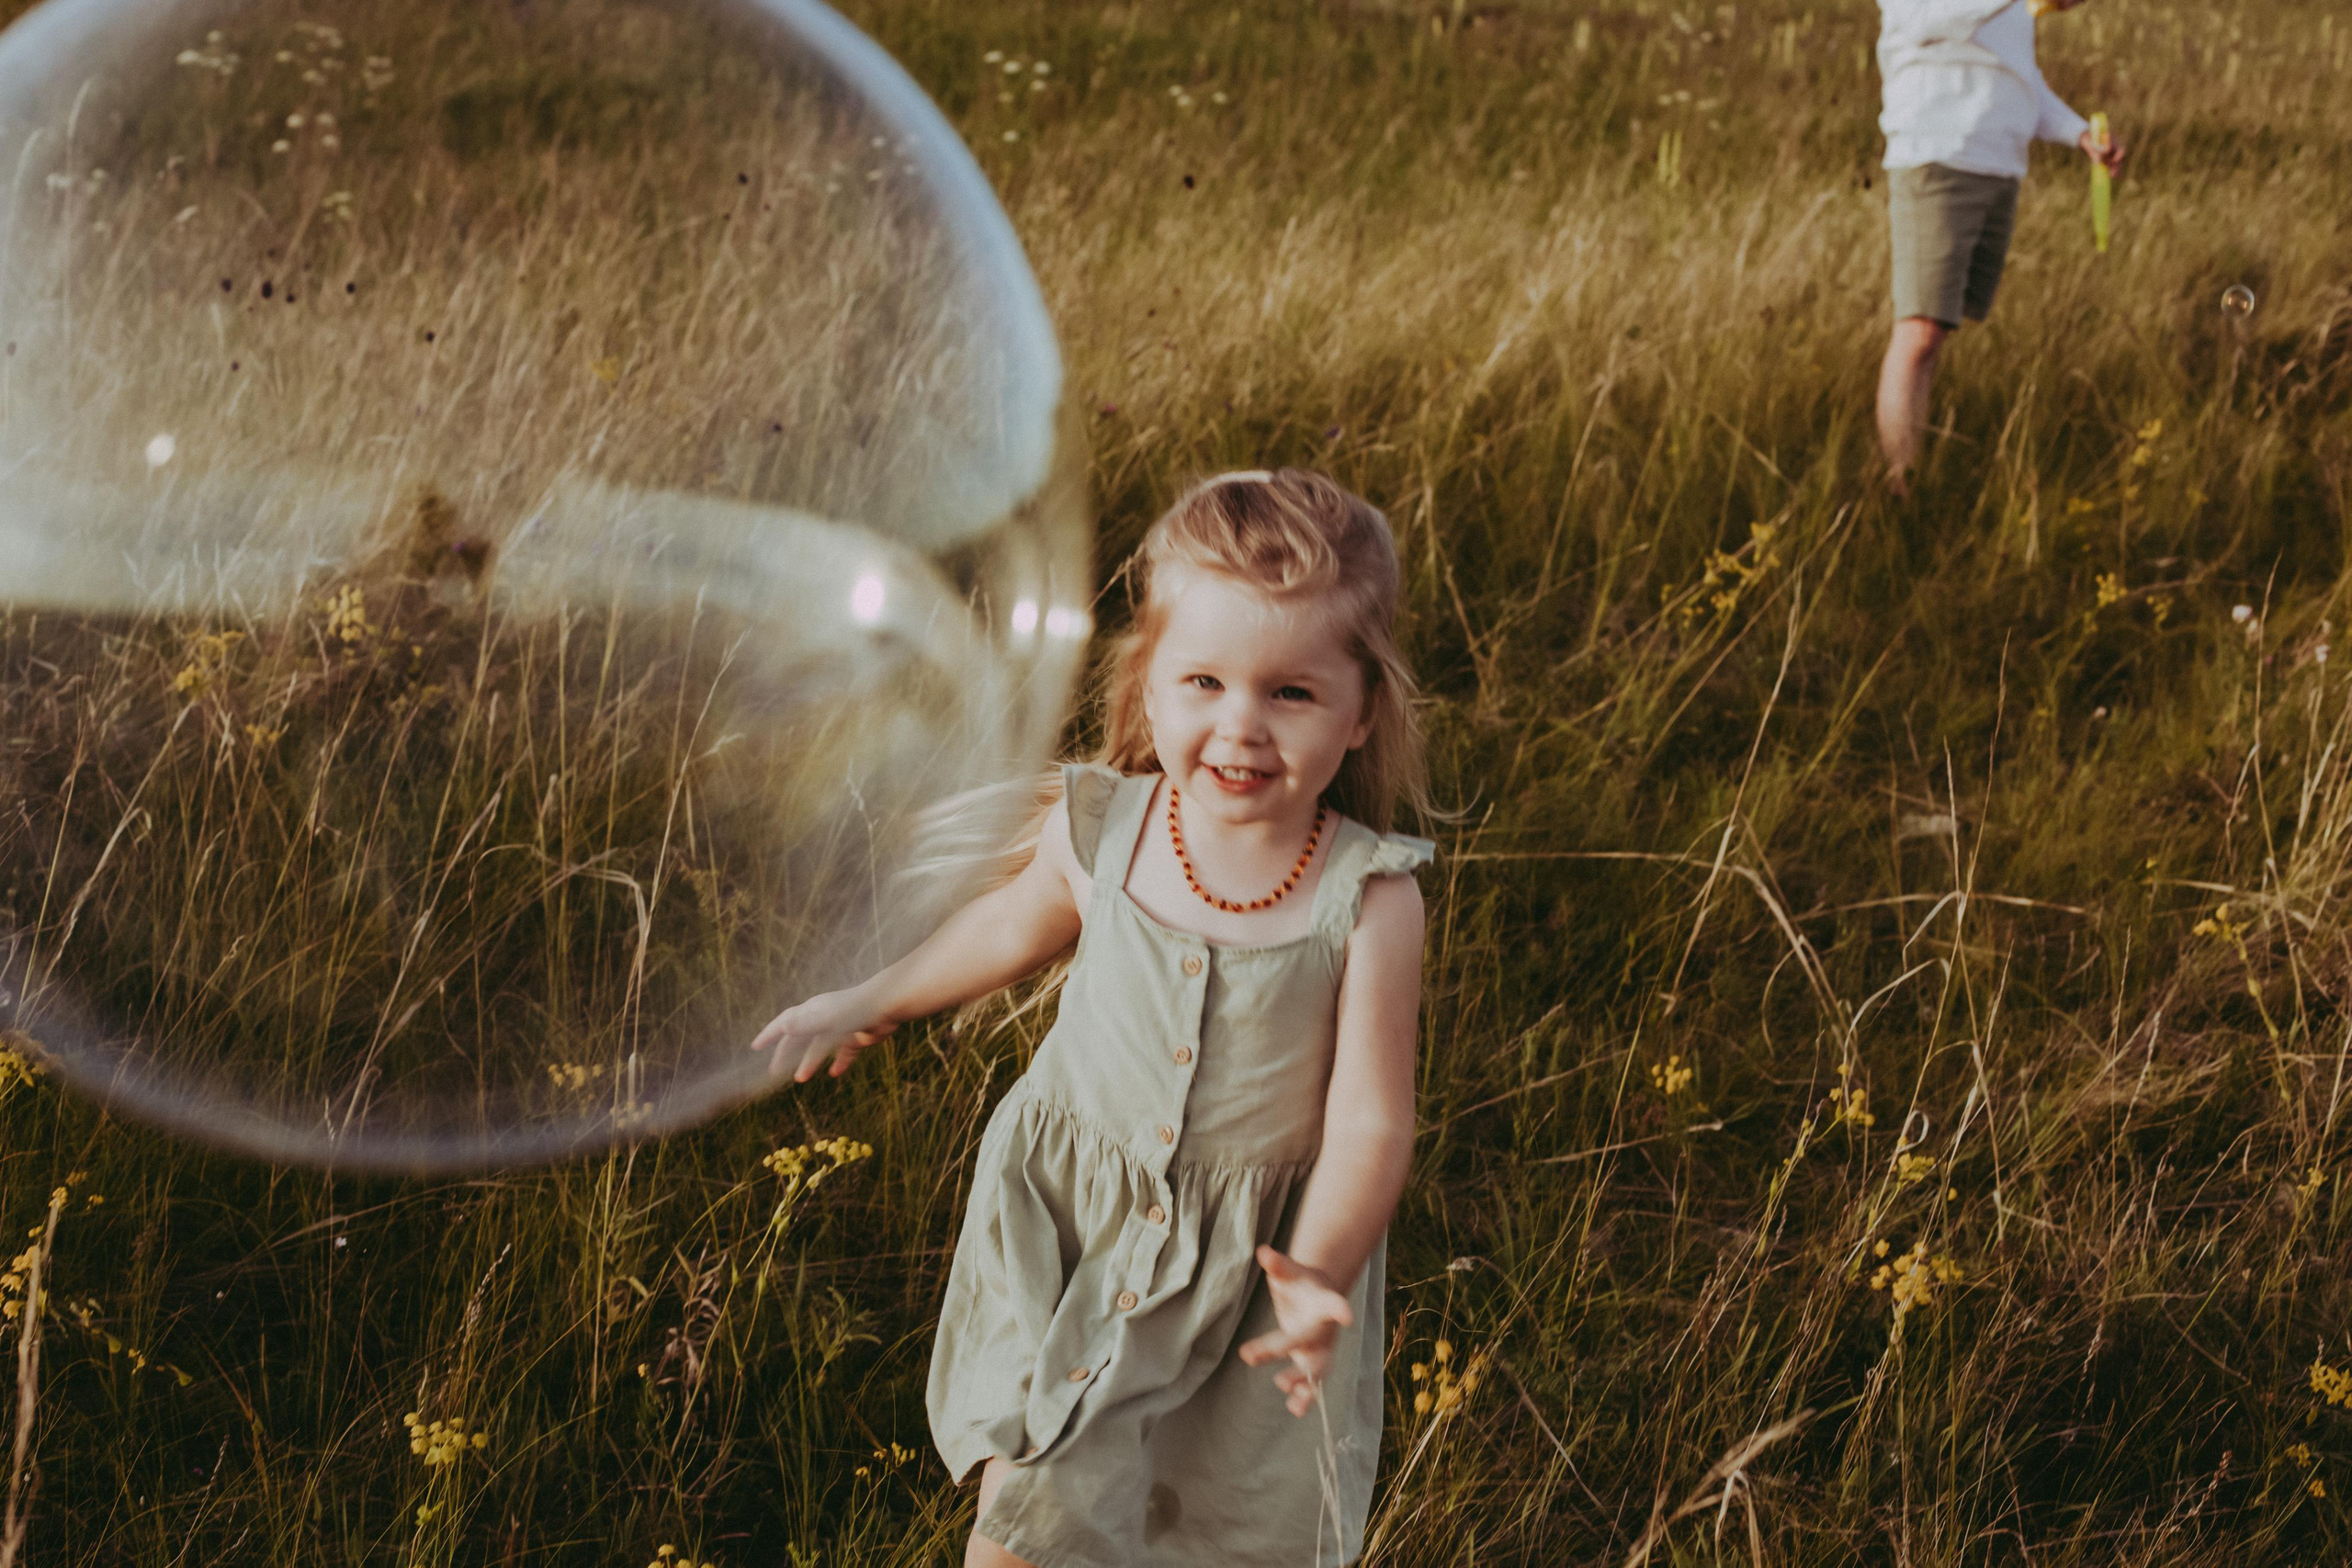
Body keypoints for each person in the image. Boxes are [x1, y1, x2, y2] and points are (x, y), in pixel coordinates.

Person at [752, 468, 1437, 1568]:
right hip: (1073, 1223)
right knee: (1035, 1505)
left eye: (1290, 694)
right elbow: (1007, 926)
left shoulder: (1368, 901)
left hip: (1247, 1269)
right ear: (1148, 687)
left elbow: (1370, 1122)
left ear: (1360, 714)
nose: (1240, 727)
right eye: (1203, 681)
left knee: (1203, 1528)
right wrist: (873, 998)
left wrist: (1318, 1272)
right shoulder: (1110, 827)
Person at [1874, 0, 2128, 494]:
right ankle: (1900, 488)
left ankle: (1912, 469)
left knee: (1938, 330)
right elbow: (1924, 24)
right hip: (1936, 155)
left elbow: (2020, 79)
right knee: (1920, 329)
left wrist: (2079, 133)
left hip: (1998, 165)